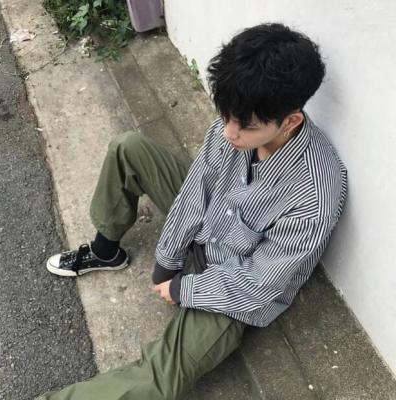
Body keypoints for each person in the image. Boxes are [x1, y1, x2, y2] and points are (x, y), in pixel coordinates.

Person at [36, 22, 348, 400]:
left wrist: (183, 288)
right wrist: (166, 260)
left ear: (291, 121)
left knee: (157, 379)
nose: (229, 132)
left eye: (245, 126)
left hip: (235, 286)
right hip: (211, 225)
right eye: (225, 115)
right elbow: (195, 191)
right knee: (129, 148)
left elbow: (261, 282)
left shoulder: (315, 195)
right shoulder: (233, 124)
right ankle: (105, 251)